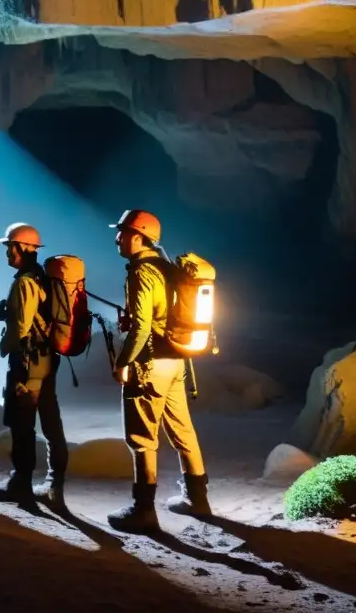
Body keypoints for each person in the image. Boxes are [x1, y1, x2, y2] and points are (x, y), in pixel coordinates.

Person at [107, 209, 211, 533]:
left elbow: (140, 329)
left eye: (123, 233)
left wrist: (123, 362)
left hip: (149, 365)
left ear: (139, 236)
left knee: (141, 438)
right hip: (177, 361)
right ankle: (198, 499)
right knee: (183, 430)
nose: (117, 239)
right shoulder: (167, 268)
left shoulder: (141, 272)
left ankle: (143, 510)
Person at [0, 223, 69, 506]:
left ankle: (20, 483)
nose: (7, 253)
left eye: (10, 247)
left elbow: (21, 328)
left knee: (22, 423)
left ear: (23, 248)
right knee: (50, 420)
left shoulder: (24, 281)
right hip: (47, 359)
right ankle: (54, 486)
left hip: (28, 361)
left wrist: (3, 345)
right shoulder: (42, 277)